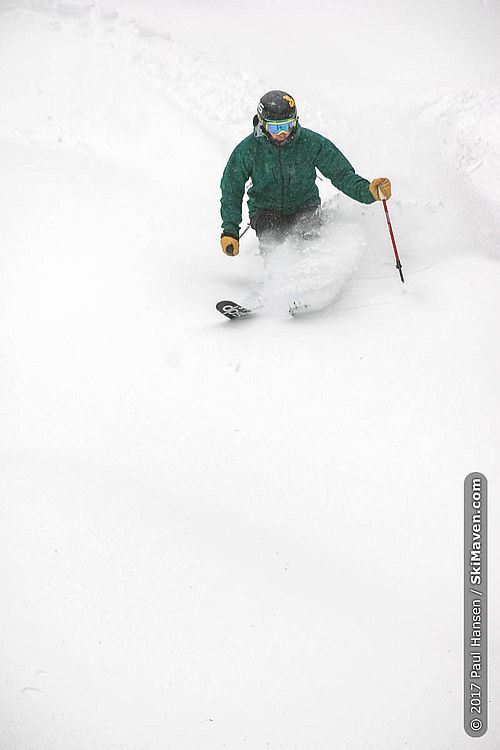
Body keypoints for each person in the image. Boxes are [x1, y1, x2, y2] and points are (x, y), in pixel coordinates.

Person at [220, 90, 392, 255]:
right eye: (275, 128)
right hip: (265, 211)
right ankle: (277, 280)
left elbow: (341, 174)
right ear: (262, 124)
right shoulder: (248, 150)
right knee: (274, 247)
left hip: (304, 207)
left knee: (309, 246)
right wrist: (230, 230)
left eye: (288, 125)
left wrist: (367, 191)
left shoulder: (310, 143)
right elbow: (231, 189)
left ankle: (318, 281)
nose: (283, 133)